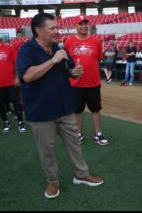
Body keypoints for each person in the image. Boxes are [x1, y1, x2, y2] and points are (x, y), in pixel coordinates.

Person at [16, 13, 104, 199]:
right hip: (41, 111)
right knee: (47, 149)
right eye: (53, 28)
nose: (58, 31)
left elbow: (69, 70)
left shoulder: (58, 48)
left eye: (57, 27)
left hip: (64, 108)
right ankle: (52, 181)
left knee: (74, 143)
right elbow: (27, 76)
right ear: (38, 31)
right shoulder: (27, 50)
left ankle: (81, 175)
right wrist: (54, 60)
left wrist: (74, 72)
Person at [64, 15, 109, 146]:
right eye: (80, 24)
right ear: (75, 26)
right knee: (78, 110)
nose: (83, 26)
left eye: (85, 23)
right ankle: (79, 133)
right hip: (76, 83)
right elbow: (67, 62)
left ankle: (98, 133)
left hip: (93, 82)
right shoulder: (69, 42)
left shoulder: (96, 41)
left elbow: (98, 59)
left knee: (95, 109)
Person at [0, 38, 27, 133]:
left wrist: (18, 77)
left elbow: (17, 63)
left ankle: (20, 122)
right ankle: (6, 122)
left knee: (16, 102)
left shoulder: (9, 48)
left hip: (12, 82)